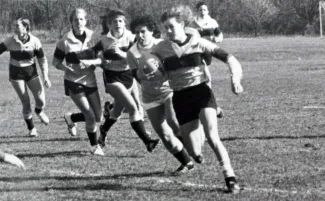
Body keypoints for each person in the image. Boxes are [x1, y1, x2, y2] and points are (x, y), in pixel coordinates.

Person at [154, 5, 243, 193]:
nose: (168, 31)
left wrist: (235, 79)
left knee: (212, 136)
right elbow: (148, 64)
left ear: (182, 24)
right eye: (165, 28)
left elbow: (230, 58)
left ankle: (230, 178)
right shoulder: (160, 49)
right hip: (180, 97)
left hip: (201, 91)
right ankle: (210, 114)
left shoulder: (198, 42)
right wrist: (149, 67)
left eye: (171, 27)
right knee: (195, 152)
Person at [76, 9, 159, 152]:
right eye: (114, 21)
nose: (117, 24)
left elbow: (141, 53)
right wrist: (85, 60)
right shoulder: (103, 40)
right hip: (112, 79)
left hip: (128, 76)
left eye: (120, 20)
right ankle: (147, 141)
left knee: (117, 112)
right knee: (133, 108)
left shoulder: (132, 37)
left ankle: (103, 129)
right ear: (109, 24)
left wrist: (123, 54)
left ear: (124, 22)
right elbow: (96, 56)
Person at [128, 15, 195, 174]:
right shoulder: (132, 52)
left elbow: (176, 66)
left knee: (174, 122)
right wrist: (148, 75)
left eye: (143, 31)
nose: (140, 35)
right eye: (137, 32)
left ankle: (194, 147)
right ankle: (187, 162)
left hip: (169, 90)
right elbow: (136, 76)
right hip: (150, 96)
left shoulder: (163, 46)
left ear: (152, 31)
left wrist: (162, 75)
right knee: (165, 136)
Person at [52, 8, 104, 156]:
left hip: (90, 80)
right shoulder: (64, 41)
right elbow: (55, 62)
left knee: (99, 117)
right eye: (76, 19)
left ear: (86, 21)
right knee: (89, 115)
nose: (79, 22)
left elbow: (101, 59)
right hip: (73, 81)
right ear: (71, 22)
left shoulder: (94, 37)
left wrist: (91, 62)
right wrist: (65, 68)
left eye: (81, 19)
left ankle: (71, 117)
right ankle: (95, 146)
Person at [0, 17, 51, 137]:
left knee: (41, 100)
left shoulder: (35, 41)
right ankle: (32, 129)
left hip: (31, 74)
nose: (14, 28)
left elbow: (42, 60)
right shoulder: (10, 41)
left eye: (17, 25)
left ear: (25, 27)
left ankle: (39, 111)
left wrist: (46, 77)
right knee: (26, 102)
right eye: (14, 26)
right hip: (16, 75)